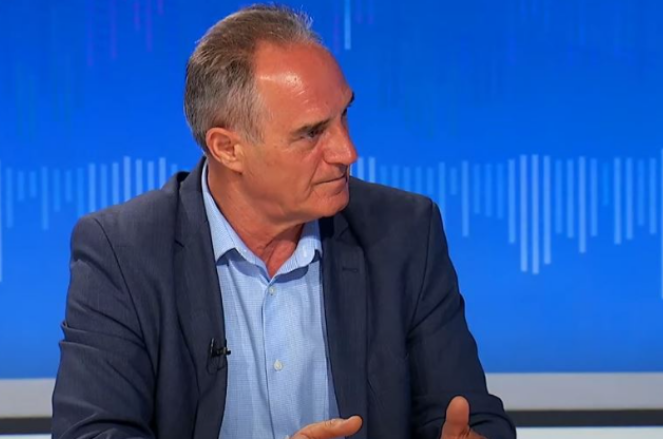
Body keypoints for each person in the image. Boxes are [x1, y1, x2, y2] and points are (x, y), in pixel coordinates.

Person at [51, 4, 515, 439]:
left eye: (344, 115)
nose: (347, 152)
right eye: (312, 133)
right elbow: (94, 432)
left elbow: (468, 416)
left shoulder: (405, 232)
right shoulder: (123, 251)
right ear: (228, 148)